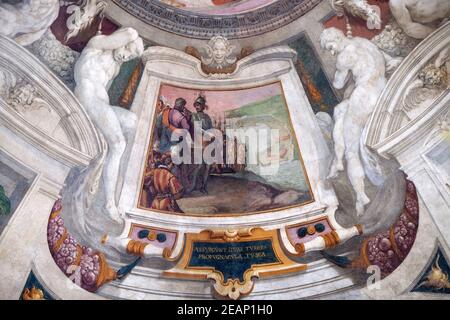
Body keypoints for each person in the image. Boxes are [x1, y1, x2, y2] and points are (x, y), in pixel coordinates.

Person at [74, 27, 144, 223]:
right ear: (120, 41)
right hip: (87, 97)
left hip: (100, 105)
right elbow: (130, 33)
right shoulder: (97, 44)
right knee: (118, 144)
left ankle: (117, 184)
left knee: (132, 121)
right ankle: (108, 204)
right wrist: (131, 38)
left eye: (130, 57)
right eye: (127, 50)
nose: (126, 56)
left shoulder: (116, 67)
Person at [188, 95, 214, 194]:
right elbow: (197, 129)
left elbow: (211, 128)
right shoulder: (194, 116)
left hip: (208, 143)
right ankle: (193, 185)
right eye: (196, 105)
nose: (197, 106)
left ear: (203, 106)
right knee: (199, 166)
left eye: (199, 105)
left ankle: (203, 186)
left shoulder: (207, 117)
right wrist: (207, 133)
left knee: (208, 166)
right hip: (199, 142)